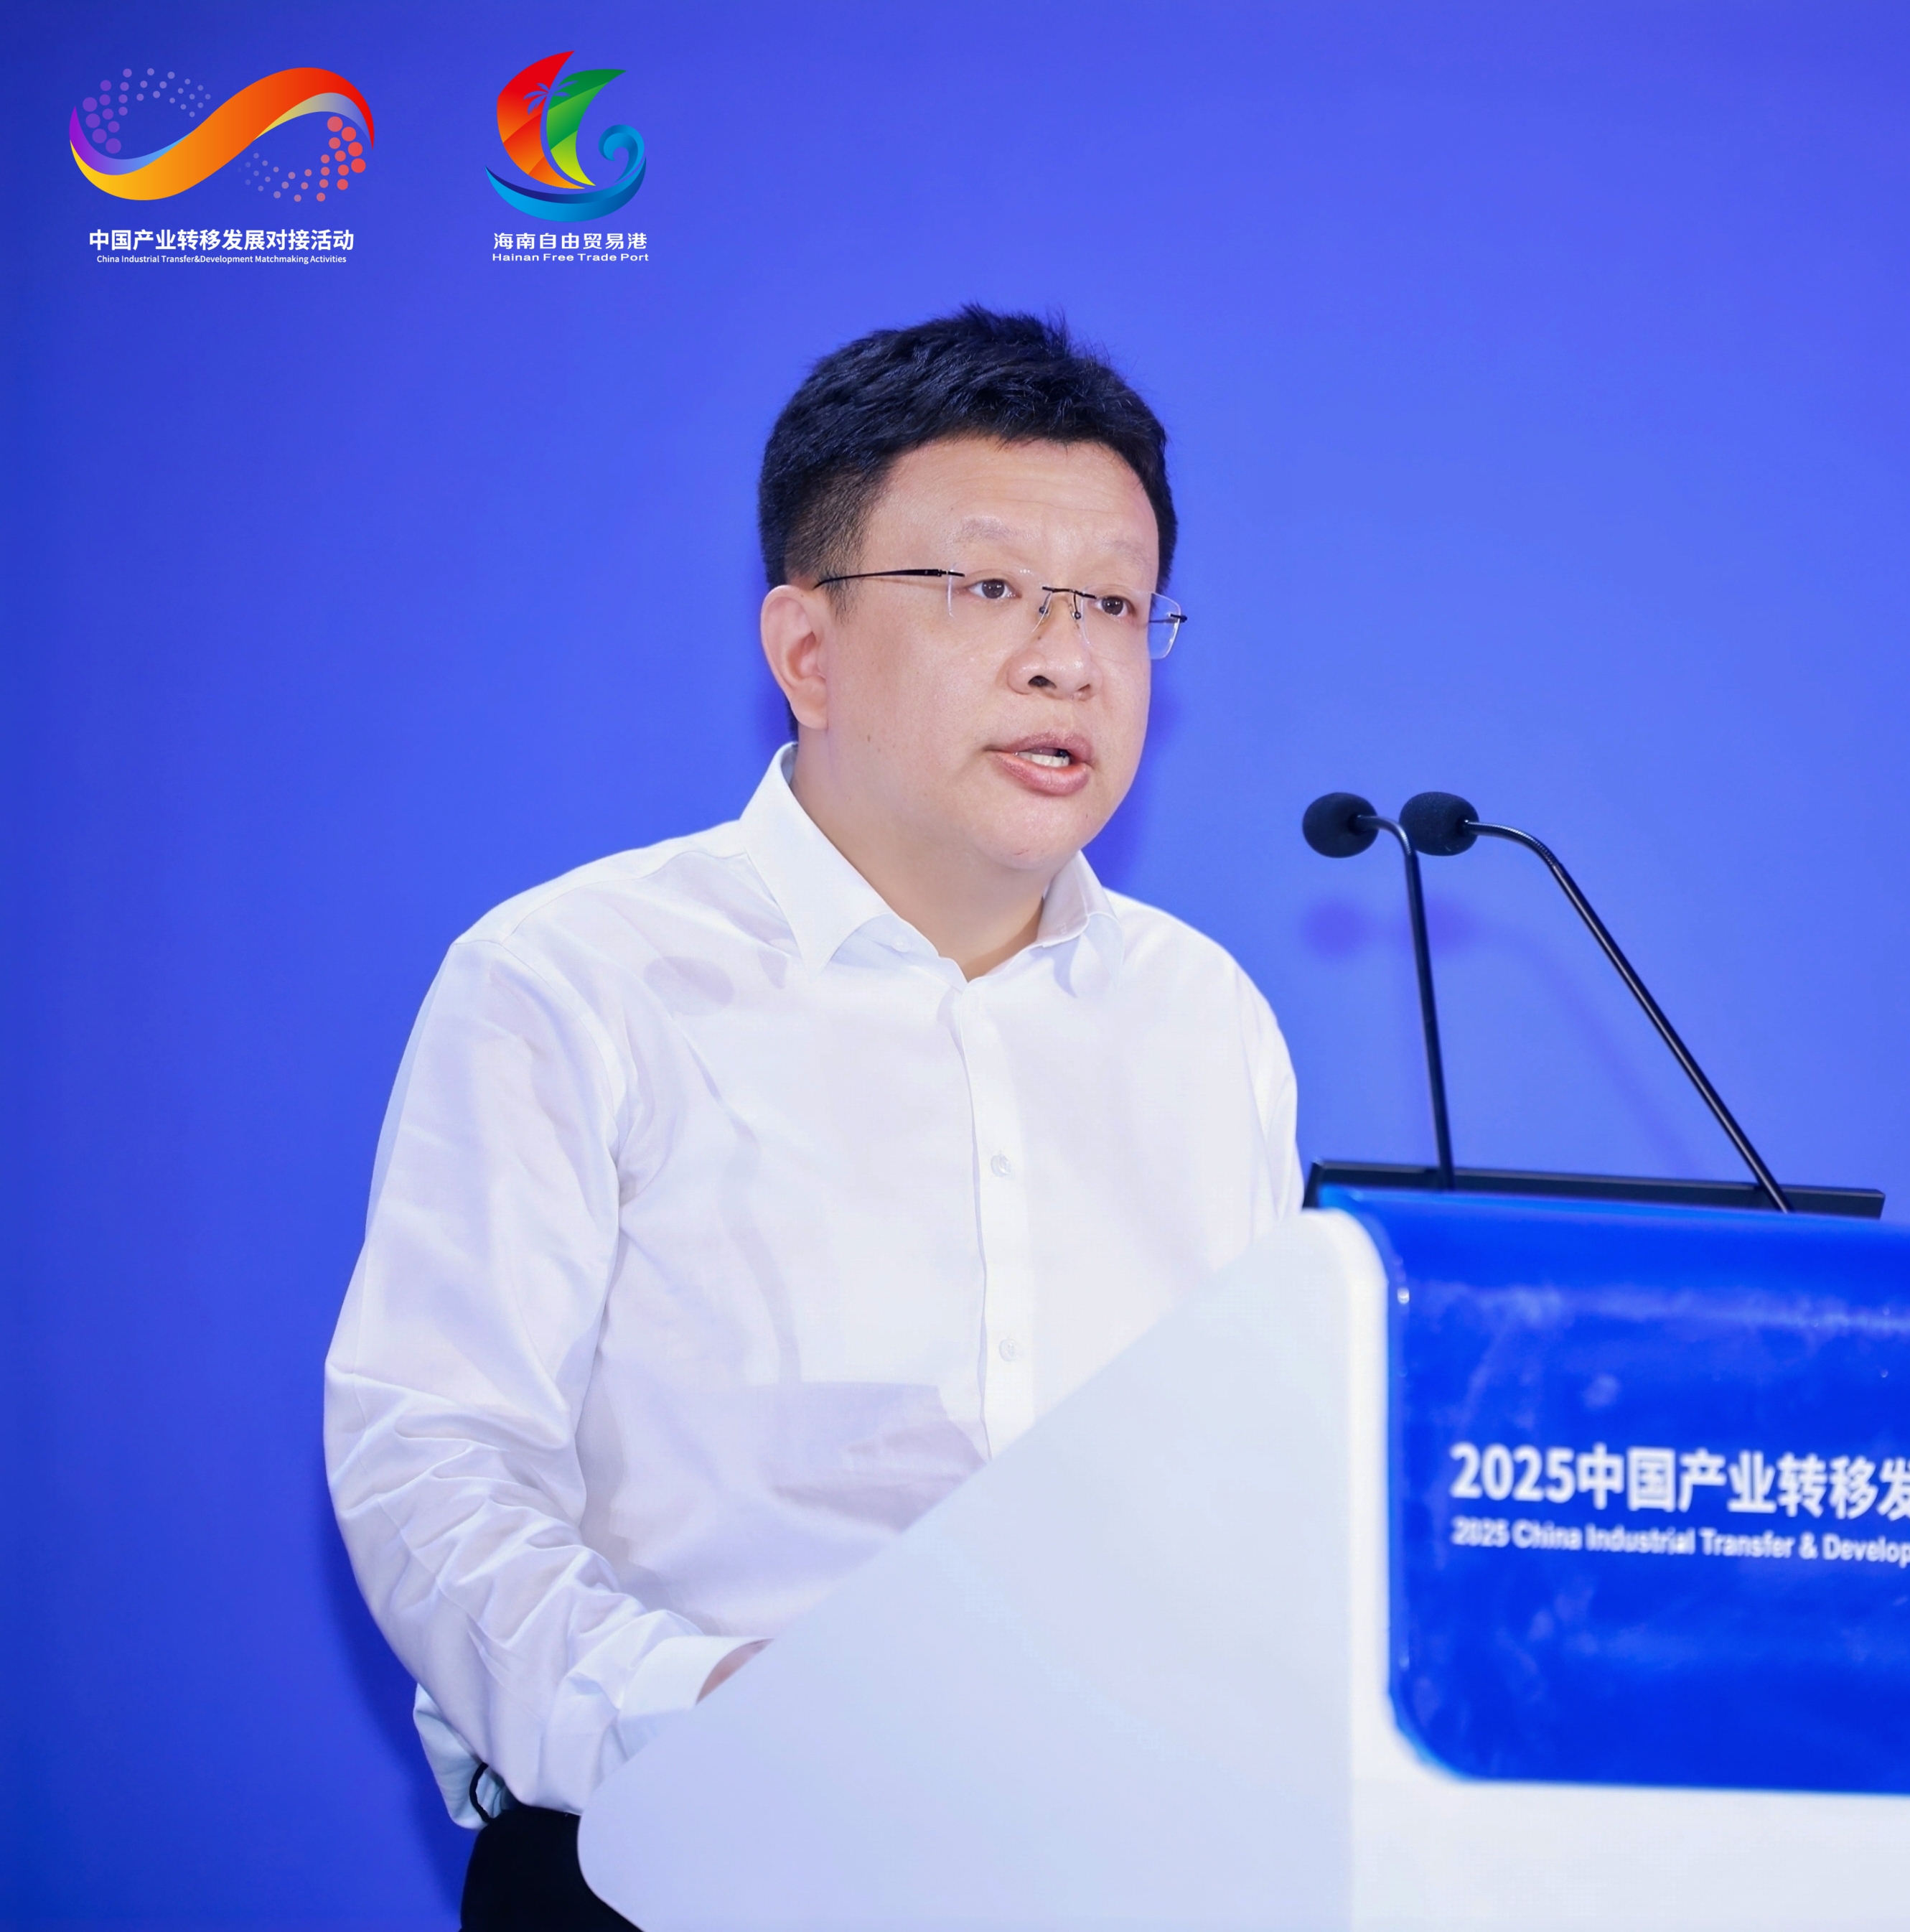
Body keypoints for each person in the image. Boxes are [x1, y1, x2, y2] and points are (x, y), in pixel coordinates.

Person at [324, 308, 1300, 1928]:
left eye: (1114, 604)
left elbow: (1245, 1489)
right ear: (806, 651)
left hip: (1109, 1864)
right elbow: (434, 1459)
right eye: (988, 589)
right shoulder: (576, 980)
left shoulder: (1204, 1021)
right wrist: (706, 1709)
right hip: (678, 1850)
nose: (1065, 656)